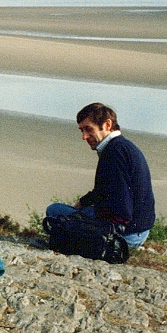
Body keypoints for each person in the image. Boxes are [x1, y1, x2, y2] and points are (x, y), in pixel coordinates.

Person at [46, 102, 156, 249]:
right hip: (140, 229)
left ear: (107, 125)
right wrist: (82, 203)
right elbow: (105, 189)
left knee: (54, 211)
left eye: (88, 129)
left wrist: (95, 227)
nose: (84, 136)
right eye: (82, 130)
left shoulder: (115, 152)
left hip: (126, 233)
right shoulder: (123, 146)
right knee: (71, 212)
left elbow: (123, 209)